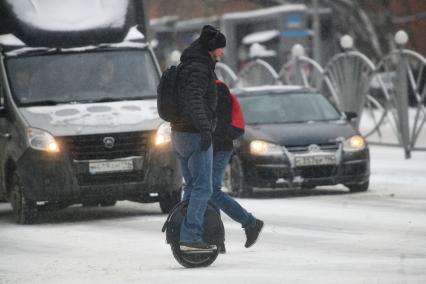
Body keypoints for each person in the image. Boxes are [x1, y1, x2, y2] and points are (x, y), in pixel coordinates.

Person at [171, 25, 226, 251]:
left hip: (180, 134)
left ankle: (182, 231)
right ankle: (191, 237)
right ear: (212, 48)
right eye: (221, 48)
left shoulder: (189, 64)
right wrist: (205, 129)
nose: (222, 53)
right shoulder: (199, 68)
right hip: (193, 134)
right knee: (203, 188)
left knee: (192, 186)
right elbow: (194, 99)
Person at [211, 80, 264, 253]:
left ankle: (250, 223)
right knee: (207, 192)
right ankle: (217, 239)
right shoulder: (205, 87)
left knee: (211, 190)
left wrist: (208, 136)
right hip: (211, 147)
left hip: (219, 147)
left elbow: (221, 122)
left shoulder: (218, 88)